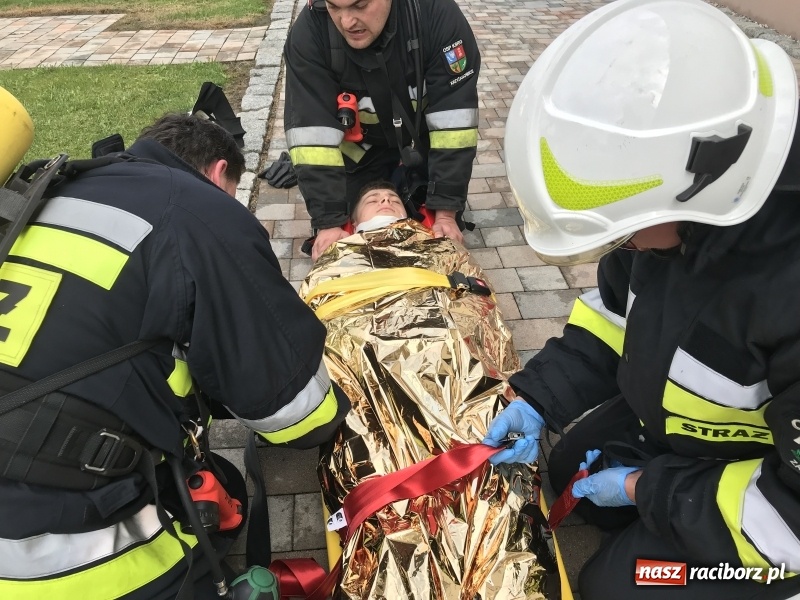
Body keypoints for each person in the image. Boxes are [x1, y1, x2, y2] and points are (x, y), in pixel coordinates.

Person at [481, 1, 800, 599]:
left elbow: (790, 519)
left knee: (611, 587)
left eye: (625, 229)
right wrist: (538, 399)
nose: (622, 244)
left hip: (774, 505)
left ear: (701, 192)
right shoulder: (673, 221)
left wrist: (647, 490)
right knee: (565, 471)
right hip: (680, 435)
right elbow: (612, 318)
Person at [0, 101, 349, 599]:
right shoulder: (199, 212)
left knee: (217, 480)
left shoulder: (57, 186)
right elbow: (299, 414)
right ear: (220, 172)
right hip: (45, 559)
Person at [299, 181, 558, 599]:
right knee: (380, 450)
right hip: (365, 348)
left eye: (393, 198)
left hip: (448, 351)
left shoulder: (438, 248)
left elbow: (480, 312)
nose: (384, 201)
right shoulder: (336, 258)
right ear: (354, 221)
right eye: (373, 199)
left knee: (482, 456)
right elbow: (315, 321)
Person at [283, 0, 481, 260]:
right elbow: (311, 137)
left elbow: (454, 122)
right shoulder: (310, 34)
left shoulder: (436, 15)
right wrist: (329, 222)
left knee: (427, 218)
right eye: (334, 7)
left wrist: (445, 210)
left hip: (419, 143)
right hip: (359, 151)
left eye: (360, 5)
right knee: (358, 219)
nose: (346, 22)